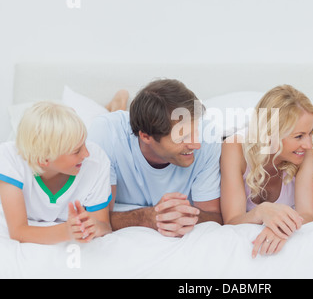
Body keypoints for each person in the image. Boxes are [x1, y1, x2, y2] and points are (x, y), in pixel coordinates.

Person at [88, 79, 222, 237]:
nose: (196, 144)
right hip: (116, 135)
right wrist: (147, 217)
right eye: (183, 137)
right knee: (113, 129)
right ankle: (117, 106)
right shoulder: (104, 134)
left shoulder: (208, 138)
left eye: (195, 131)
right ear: (145, 136)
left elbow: (215, 217)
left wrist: (185, 215)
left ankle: (118, 106)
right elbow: (99, 220)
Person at [220, 85, 313, 258]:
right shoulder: (234, 148)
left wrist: (282, 228)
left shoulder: (309, 152)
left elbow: (309, 214)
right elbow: (231, 221)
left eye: (310, 133)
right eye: (299, 136)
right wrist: (261, 211)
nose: (308, 144)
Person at [0, 101, 113, 244]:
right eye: (76, 151)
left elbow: (104, 226)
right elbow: (18, 232)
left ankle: (114, 107)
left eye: (84, 143)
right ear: (43, 159)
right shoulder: (10, 159)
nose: (86, 154)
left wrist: (95, 227)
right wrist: (66, 231)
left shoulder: (96, 160)